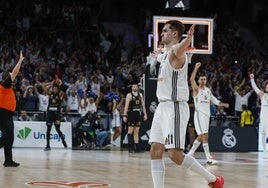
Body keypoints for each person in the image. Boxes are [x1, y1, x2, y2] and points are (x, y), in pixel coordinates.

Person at [148, 21, 224, 188]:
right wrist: (154, 56)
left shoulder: (177, 53)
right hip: (162, 107)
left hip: (175, 107)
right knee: (155, 149)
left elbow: (180, 47)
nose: (161, 34)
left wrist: (187, 39)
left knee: (175, 155)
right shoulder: (165, 54)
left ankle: (213, 180)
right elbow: (162, 55)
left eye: (165, 30)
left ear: (174, 34)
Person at [188, 62, 229, 165]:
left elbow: (214, 100)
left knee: (201, 137)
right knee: (205, 136)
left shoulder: (208, 90)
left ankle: (191, 153)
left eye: (204, 79)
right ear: (198, 81)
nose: (203, 80)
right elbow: (191, 80)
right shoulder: (196, 89)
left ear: (206, 81)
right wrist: (196, 68)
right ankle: (208, 158)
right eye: (201, 79)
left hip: (206, 115)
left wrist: (222, 104)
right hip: (199, 115)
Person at [0, 50, 24, 167]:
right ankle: (8, 160)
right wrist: (20, 61)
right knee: (8, 137)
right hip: (3, 113)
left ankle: (8, 160)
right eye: (10, 76)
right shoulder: (5, 84)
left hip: (6, 114)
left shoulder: (6, 87)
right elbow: (14, 73)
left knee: (9, 137)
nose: (12, 78)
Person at [43, 79, 68, 151]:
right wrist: (50, 83)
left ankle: (64, 142)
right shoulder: (50, 94)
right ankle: (48, 145)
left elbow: (63, 90)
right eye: (53, 89)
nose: (54, 90)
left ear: (58, 89)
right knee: (48, 130)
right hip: (50, 115)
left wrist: (59, 83)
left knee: (58, 129)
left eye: (56, 89)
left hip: (57, 115)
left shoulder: (60, 94)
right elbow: (43, 85)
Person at [123, 83, 147, 153]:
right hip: (131, 115)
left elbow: (143, 105)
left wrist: (145, 114)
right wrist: (125, 115)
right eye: (133, 86)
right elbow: (126, 106)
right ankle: (130, 147)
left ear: (137, 87)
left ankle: (137, 147)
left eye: (136, 86)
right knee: (130, 131)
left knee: (137, 131)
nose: (135, 88)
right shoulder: (129, 95)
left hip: (138, 115)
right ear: (131, 88)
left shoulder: (140, 95)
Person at [249, 73, 268, 158]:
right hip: (263, 119)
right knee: (263, 136)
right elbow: (255, 88)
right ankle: (264, 152)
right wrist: (252, 79)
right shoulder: (263, 95)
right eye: (267, 87)